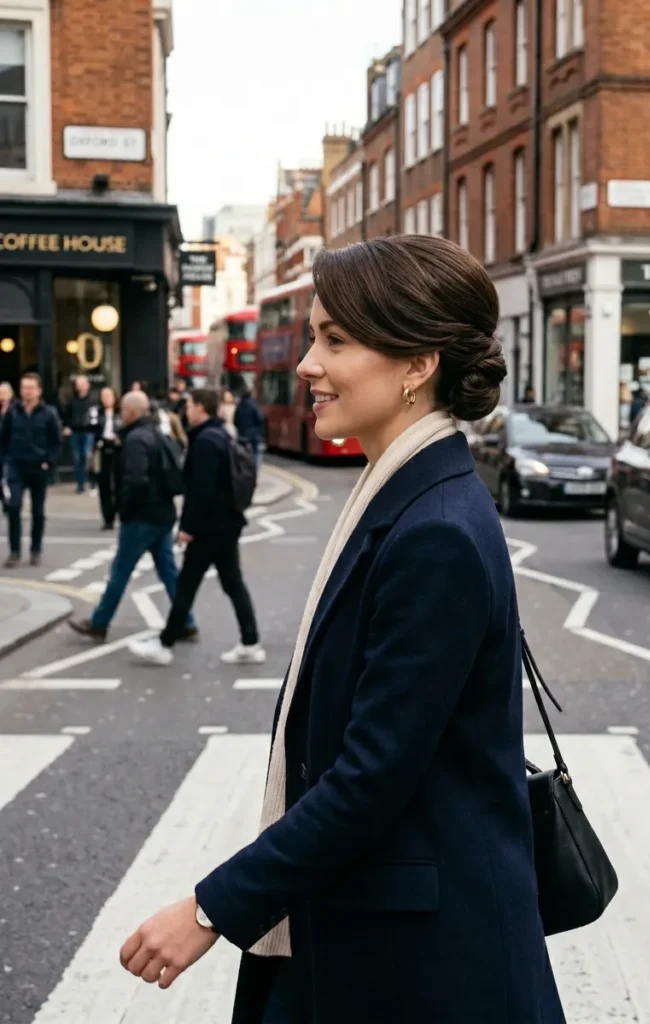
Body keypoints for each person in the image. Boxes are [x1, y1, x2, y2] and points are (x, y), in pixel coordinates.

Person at [119, 236, 566, 1024]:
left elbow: (370, 778)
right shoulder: (403, 496)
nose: (305, 365)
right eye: (313, 337)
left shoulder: (434, 530)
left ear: (415, 364)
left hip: (423, 965)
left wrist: (207, 910)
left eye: (335, 340)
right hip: (367, 927)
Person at [129, 388, 264, 667]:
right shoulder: (220, 435)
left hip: (210, 528)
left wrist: (188, 527)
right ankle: (249, 643)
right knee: (228, 583)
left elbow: (201, 491)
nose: (186, 410)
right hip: (225, 523)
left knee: (188, 585)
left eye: (190, 405)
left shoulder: (205, 441)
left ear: (201, 408)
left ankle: (165, 644)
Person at [68, 391, 197, 641]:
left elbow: (136, 480)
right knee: (169, 571)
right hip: (163, 514)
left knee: (120, 571)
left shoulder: (136, 439)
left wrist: (123, 509)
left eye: (122, 410)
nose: (119, 414)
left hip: (141, 518)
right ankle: (186, 621)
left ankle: (99, 623)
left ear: (130, 412)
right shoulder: (157, 434)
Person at [0, 372, 61, 568]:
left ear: (39, 391)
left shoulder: (48, 413)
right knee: (14, 507)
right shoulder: (12, 412)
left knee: (38, 511)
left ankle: (35, 550)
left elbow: (56, 441)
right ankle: (15, 551)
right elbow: (3, 438)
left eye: (31, 388)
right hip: (16, 465)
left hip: (38, 467)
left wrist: (49, 462)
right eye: (24, 387)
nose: (27, 391)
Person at [63, 374, 98, 493]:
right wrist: (67, 426)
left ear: (88, 385)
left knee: (87, 456)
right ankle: (80, 484)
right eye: (79, 384)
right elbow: (67, 415)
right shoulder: (72, 400)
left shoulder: (93, 400)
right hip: (75, 431)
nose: (81, 386)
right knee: (77, 458)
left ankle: (91, 482)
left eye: (83, 384)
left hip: (89, 431)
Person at [93, 387, 122, 530]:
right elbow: (90, 428)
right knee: (103, 484)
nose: (106, 399)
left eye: (109, 396)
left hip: (118, 449)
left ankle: (116, 510)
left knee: (118, 483)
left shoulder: (120, 413)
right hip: (102, 448)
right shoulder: (96, 413)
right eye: (103, 396)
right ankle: (107, 517)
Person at [234, 386, 265, 472]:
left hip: (242, 435)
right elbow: (260, 419)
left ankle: (245, 470)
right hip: (254, 435)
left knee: (243, 455)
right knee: (256, 454)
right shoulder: (254, 405)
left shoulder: (239, 405)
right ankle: (254, 472)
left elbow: (235, 420)